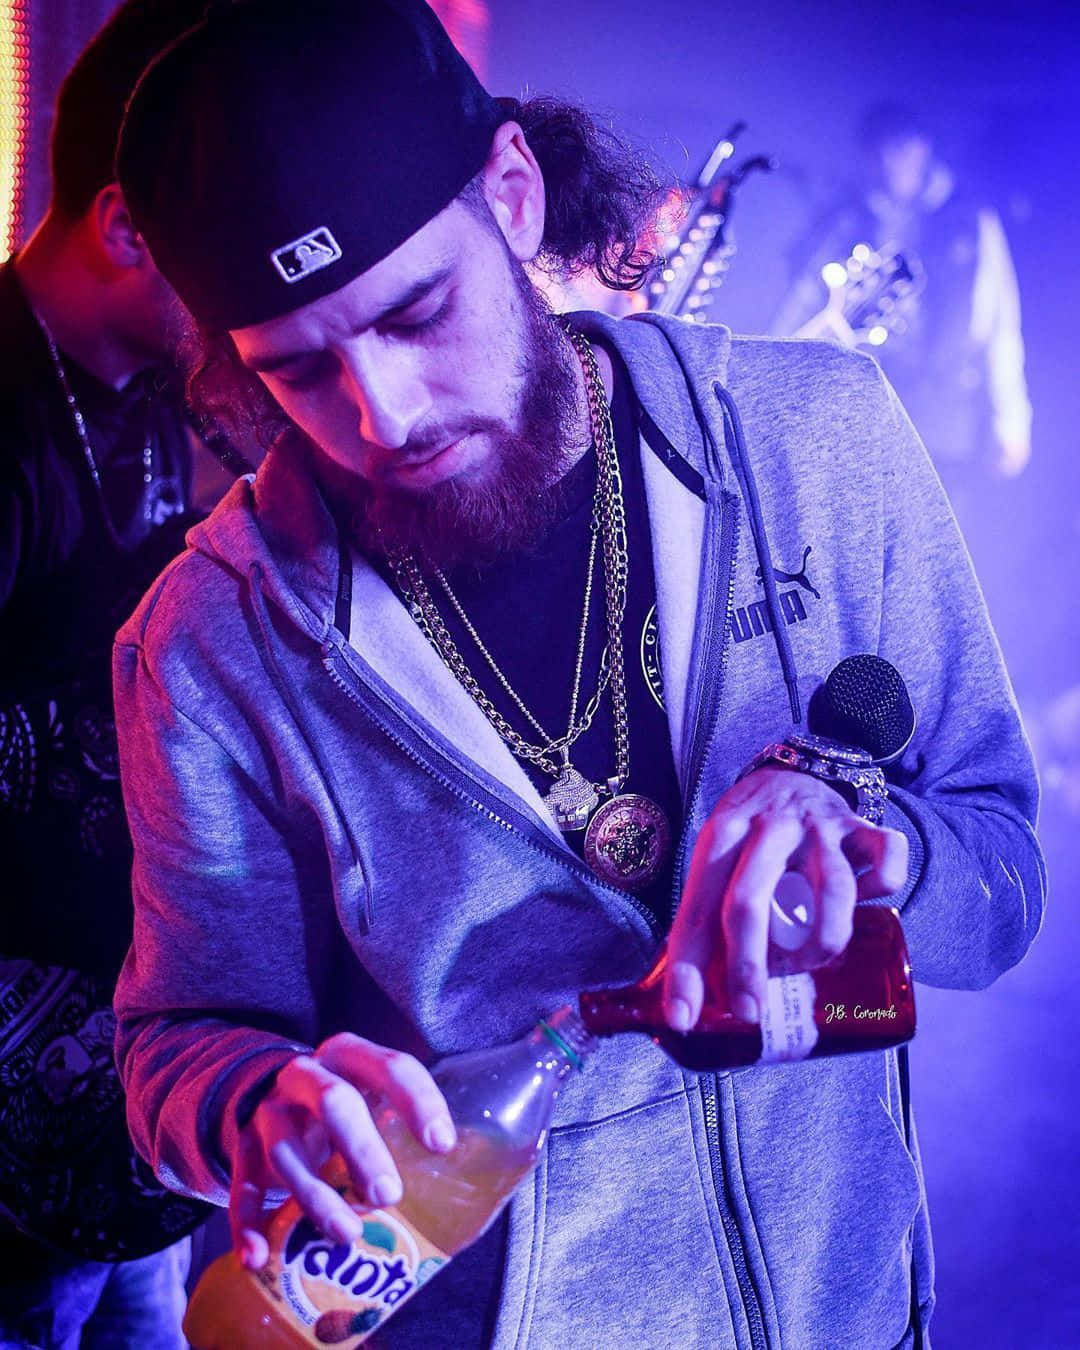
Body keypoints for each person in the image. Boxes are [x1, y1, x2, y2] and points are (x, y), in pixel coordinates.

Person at [110, 3, 1045, 1346]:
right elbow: (178, 1041)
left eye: (419, 311)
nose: (386, 414)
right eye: (300, 372)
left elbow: (1001, 877)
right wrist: (259, 1104)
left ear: (512, 192)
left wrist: (877, 851)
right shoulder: (211, 642)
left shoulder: (814, 443)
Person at [0, 2, 240, 1344]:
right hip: (20, 1139)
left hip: (125, 1114)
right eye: (216, 245)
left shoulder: (150, 386)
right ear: (126, 229)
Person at [770, 102, 1033, 499]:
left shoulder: (971, 222)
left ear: (923, 148)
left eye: (901, 148)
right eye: (881, 152)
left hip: (944, 419)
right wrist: (768, 372)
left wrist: (1012, 422)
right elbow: (803, 300)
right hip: (865, 413)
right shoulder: (847, 221)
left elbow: (1000, 322)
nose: (891, 162)